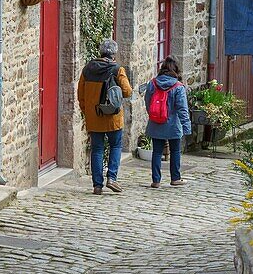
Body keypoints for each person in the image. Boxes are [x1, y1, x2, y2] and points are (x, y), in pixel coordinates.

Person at [77, 38, 132, 194]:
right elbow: (127, 91)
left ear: (101, 52)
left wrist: (86, 112)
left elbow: (80, 95)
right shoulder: (117, 69)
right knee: (115, 145)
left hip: (94, 116)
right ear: (113, 54)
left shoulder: (87, 69)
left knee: (97, 149)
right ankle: (112, 178)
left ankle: (97, 185)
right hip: (112, 116)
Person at [143, 55, 192, 188]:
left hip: (156, 122)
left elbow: (147, 102)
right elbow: (182, 109)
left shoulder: (153, 83)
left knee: (157, 152)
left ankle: (156, 180)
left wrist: (153, 114)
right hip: (173, 124)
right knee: (175, 151)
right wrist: (186, 127)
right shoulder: (178, 87)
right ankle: (175, 178)